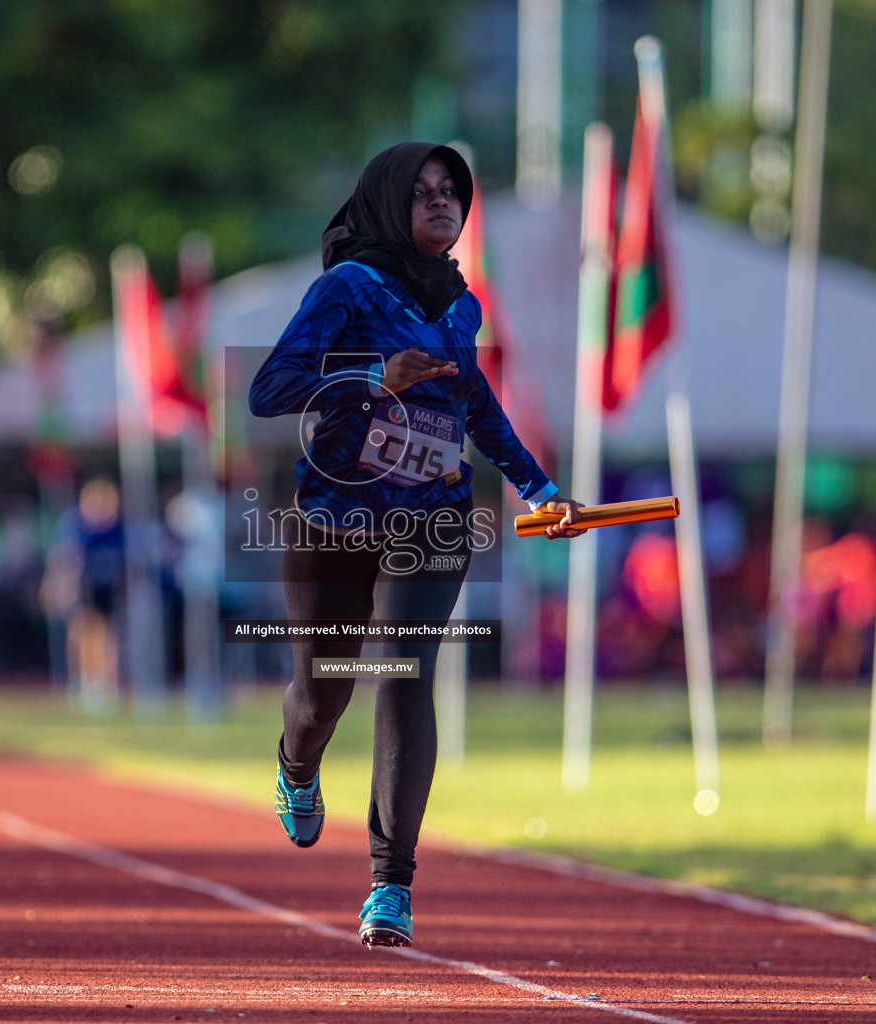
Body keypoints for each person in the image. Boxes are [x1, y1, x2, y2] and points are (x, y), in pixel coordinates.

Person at [248, 141, 583, 948]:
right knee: (324, 689)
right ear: (388, 200)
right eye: (424, 192)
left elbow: (476, 404)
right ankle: (297, 761)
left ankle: (390, 885)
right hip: (336, 514)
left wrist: (538, 485)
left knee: (403, 666)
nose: (442, 204)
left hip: (433, 514)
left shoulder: (462, 305)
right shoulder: (348, 287)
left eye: (453, 193)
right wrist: (373, 375)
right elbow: (269, 389)